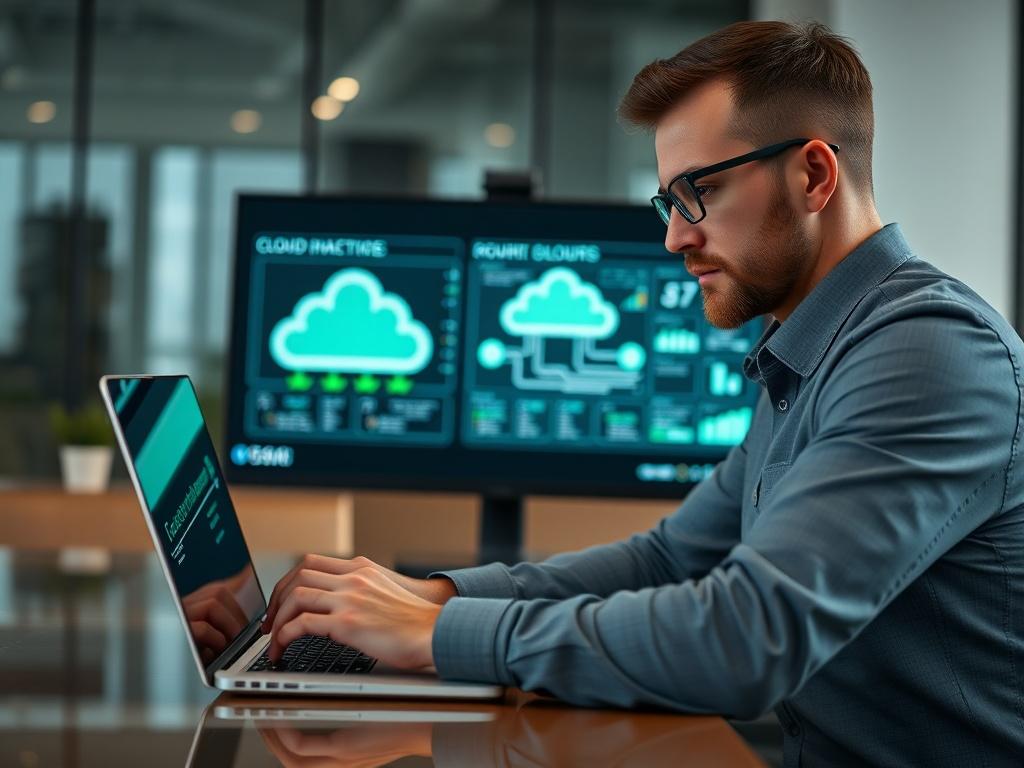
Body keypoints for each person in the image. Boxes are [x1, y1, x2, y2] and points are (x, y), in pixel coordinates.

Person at [261, 21, 1024, 766]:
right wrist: (433, 598)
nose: (675, 238)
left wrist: (434, 636)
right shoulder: (810, 352)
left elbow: (746, 639)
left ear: (814, 176)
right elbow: (671, 561)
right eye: (670, 202)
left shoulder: (928, 352)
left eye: (701, 191)